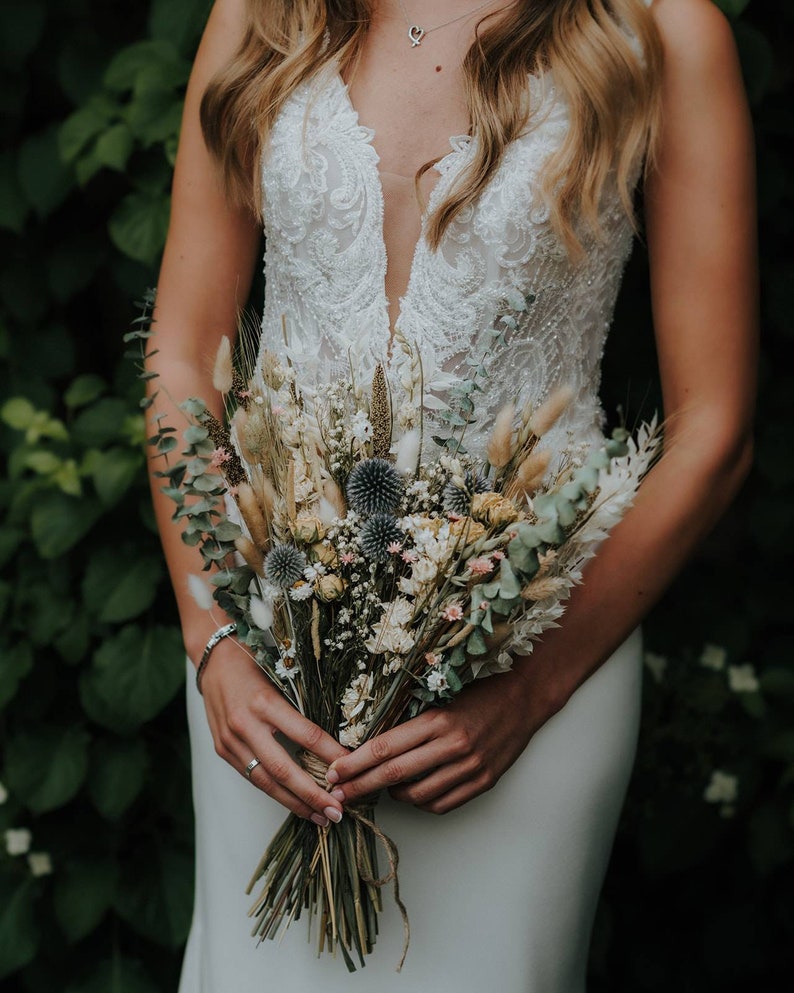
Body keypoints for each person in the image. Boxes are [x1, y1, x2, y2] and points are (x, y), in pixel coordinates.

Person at [147, 0, 757, 990]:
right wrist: (210, 637)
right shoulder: (267, 12)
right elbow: (180, 351)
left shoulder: (657, 27)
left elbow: (713, 429)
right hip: (265, 669)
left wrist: (527, 690)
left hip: (527, 674)